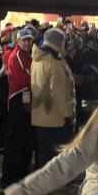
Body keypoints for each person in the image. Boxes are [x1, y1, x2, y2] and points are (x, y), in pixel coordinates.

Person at [30, 27, 76, 167]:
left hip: (39, 115)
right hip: (55, 118)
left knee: (43, 154)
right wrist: (68, 115)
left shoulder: (37, 59)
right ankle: (54, 186)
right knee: (55, 157)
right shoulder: (55, 62)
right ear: (59, 43)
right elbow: (59, 93)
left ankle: (42, 184)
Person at [1, 27, 36, 185]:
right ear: (18, 41)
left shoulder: (26, 56)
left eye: (30, 40)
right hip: (18, 101)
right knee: (16, 139)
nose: (28, 43)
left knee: (24, 139)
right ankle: (10, 175)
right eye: (25, 40)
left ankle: (20, 171)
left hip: (26, 103)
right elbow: (27, 78)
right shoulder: (17, 56)